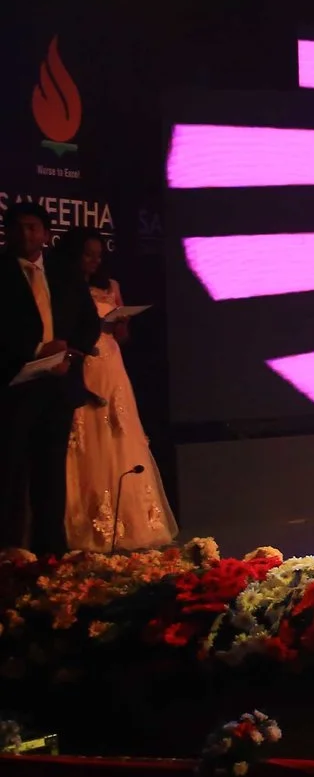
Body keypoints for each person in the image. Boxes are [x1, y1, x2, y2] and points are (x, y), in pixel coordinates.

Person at [60, 228, 175, 550]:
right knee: (86, 439)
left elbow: (122, 337)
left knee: (119, 435)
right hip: (83, 362)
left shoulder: (111, 286)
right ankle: (84, 525)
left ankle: (130, 523)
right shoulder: (64, 285)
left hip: (111, 365)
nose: (94, 261)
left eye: (98, 255)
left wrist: (121, 324)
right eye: (88, 254)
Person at [0, 201, 100, 555]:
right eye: (17, 227)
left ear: (46, 233)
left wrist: (70, 353)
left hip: (59, 386)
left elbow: (89, 322)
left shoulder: (63, 271)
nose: (25, 234)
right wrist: (36, 350)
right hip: (13, 387)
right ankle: (10, 555)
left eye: (32, 227)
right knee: (10, 475)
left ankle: (51, 556)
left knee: (51, 475)